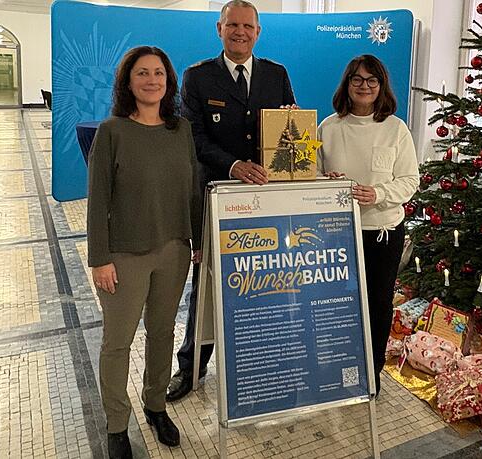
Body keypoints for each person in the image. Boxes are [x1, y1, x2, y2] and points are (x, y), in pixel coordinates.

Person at [167, 0, 297, 402]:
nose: (240, 32)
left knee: (266, 279)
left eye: (248, 26)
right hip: (217, 196)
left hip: (266, 199)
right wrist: (235, 164)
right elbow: (194, 138)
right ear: (219, 29)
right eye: (232, 25)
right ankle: (191, 368)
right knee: (205, 286)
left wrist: (291, 123)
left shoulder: (277, 75)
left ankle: (260, 363)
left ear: (258, 32)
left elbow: (288, 132)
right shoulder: (197, 77)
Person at [87, 46, 201, 458]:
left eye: (158, 73)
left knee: (163, 331)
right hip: (124, 255)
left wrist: (199, 242)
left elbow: (192, 191)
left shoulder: (181, 129)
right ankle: (117, 424)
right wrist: (99, 258)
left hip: (174, 251)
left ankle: (155, 406)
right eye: (142, 73)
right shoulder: (112, 131)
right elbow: (97, 200)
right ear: (128, 82)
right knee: (117, 342)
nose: (151, 80)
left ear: (168, 81)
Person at [317, 55, 419, 395]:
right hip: (336, 233)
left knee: (377, 305)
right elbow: (310, 175)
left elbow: (409, 181)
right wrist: (325, 181)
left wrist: (377, 193)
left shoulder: (396, 128)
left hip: (382, 234)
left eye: (371, 81)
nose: (364, 86)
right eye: (357, 80)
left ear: (381, 86)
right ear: (347, 84)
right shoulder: (329, 127)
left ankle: (370, 373)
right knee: (336, 306)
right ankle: (335, 369)